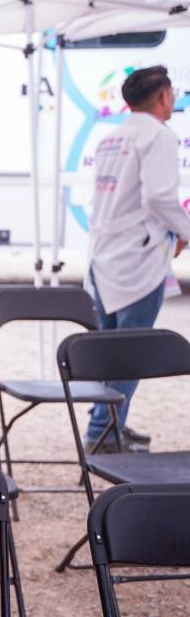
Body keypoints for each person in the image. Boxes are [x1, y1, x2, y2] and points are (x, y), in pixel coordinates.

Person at [84, 65, 190, 453]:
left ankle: (109, 424)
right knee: (130, 353)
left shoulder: (111, 137)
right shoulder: (159, 137)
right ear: (162, 96)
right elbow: (160, 198)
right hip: (138, 260)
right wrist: (186, 231)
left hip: (105, 257)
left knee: (109, 351)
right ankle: (102, 434)